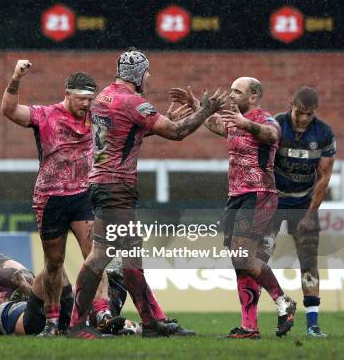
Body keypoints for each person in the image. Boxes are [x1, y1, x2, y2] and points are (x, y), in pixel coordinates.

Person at [67, 48, 228, 339]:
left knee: (119, 256)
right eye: (147, 72)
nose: (149, 77)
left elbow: (124, 133)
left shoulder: (105, 96)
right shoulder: (134, 102)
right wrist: (206, 109)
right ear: (139, 74)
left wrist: (157, 121)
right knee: (107, 257)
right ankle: (78, 326)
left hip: (102, 183)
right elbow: (177, 132)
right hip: (116, 187)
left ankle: (149, 323)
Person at [0, 60, 123, 336]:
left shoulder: (97, 118)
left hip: (83, 195)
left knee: (95, 255)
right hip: (50, 199)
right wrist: (16, 77)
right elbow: (8, 110)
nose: (87, 105)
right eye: (81, 99)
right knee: (53, 264)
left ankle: (101, 310)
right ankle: (53, 320)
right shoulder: (45, 115)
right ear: (67, 93)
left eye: (91, 99)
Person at [199, 77, 297, 339]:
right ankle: (249, 327)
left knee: (243, 255)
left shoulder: (265, 120)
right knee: (239, 261)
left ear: (253, 96)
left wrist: (247, 124)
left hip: (259, 194)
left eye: (237, 91)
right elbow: (217, 125)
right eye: (230, 90)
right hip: (236, 197)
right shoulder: (233, 120)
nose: (231, 95)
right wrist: (199, 108)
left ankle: (283, 301)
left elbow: (273, 135)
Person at [240, 87, 335, 337]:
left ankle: (313, 326)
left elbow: (324, 178)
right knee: (257, 260)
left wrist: (310, 214)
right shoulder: (277, 125)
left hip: (303, 205)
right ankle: (261, 318)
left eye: (309, 114)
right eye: (300, 112)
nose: (304, 118)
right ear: (290, 103)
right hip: (273, 204)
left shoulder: (324, 133)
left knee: (308, 263)